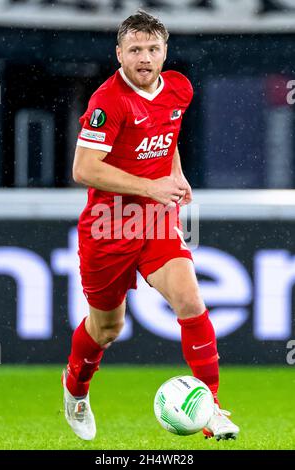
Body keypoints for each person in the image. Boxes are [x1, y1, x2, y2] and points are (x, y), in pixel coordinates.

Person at [62, 9, 239, 441]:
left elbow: (166, 134)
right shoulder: (108, 101)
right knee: (107, 328)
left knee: (191, 302)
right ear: (119, 53)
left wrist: (175, 175)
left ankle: (212, 409)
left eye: (153, 49)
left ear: (165, 52)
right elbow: (83, 169)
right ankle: (75, 389)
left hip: (156, 221)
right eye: (135, 49)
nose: (145, 57)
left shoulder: (179, 88)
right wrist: (152, 185)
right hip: (108, 227)